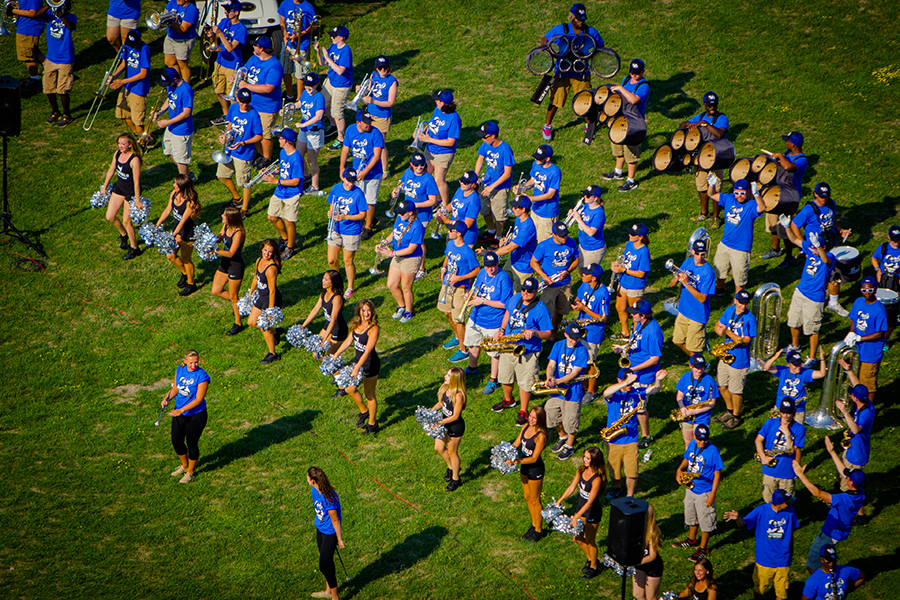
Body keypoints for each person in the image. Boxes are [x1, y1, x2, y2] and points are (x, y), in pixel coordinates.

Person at [491, 277, 554, 426]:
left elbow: (548, 334)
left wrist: (535, 332)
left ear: (536, 291)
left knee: (525, 382)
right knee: (505, 376)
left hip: (528, 351)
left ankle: (523, 411)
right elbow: (508, 312)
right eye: (523, 289)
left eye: (529, 291)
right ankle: (508, 399)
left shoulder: (541, 310)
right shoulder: (516, 297)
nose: (525, 293)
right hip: (509, 345)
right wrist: (501, 329)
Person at [539, 3, 603, 141]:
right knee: (555, 100)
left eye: (583, 19)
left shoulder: (591, 32)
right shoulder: (561, 29)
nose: (581, 22)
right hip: (562, 72)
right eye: (578, 19)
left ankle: (588, 127)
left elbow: (600, 46)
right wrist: (552, 52)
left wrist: (591, 55)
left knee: (586, 101)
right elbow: (544, 40)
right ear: (572, 17)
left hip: (581, 73)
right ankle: (547, 126)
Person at [793, 451, 865, 572]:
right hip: (843, 531)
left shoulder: (842, 499)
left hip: (830, 534)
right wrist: (831, 451)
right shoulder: (860, 493)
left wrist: (800, 475)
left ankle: (820, 580)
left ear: (850, 483)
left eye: (847, 477)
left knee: (812, 564)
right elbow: (844, 471)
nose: (845, 476)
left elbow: (817, 492)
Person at [724, 489, 799, 600]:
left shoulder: (791, 511)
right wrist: (738, 518)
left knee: (782, 593)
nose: (789, 504)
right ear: (779, 503)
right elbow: (744, 523)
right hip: (764, 560)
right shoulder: (761, 511)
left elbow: (791, 533)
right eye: (786, 502)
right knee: (760, 589)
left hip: (783, 560)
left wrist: (790, 554)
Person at [602, 368, 665, 498]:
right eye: (628, 382)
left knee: (632, 472)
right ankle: (617, 487)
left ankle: (629, 496)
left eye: (632, 383)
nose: (630, 385)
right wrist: (625, 382)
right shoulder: (614, 394)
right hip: (613, 439)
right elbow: (605, 393)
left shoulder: (636, 393)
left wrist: (658, 380)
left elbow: (656, 389)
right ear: (619, 380)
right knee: (614, 472)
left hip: (630, 438)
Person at [790, 181, 852, 314]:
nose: (824, 199)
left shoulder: (831, 204)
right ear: (815, 194)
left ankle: (833, 302)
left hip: (831, 245)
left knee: (835, 273)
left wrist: (841, 230)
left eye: (826, 196)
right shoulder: (808, 210)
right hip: (815, 249)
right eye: (821, 196)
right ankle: (812, 302)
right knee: (817, 276)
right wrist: (803, 244)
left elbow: (833, 219)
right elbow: (794, 225)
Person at [612, 299, 663, 449]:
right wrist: (623, 348)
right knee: (629, 401)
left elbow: (654, 358)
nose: (631, 315)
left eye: (634, 313)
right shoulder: (640, 323)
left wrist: (633, 369)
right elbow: (636, 340)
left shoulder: (653, 332)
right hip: (633, 370)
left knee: (640, 408)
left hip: (643, 375)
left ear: (643, 315)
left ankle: (646, 436)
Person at [672, 424, 724, 563]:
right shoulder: (692, 444)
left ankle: (703, 548)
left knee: (706, 520)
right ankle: (691, 540)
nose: (702, 442)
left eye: (705, 439)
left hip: (705, 491)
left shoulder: (713, 451)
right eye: (700, 439)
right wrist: (679, 469)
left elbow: (717, 474)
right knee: (691, 515)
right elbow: (687, 458)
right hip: (691, 487)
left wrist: (712, 495)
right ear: (694, 436)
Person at [553, 446, 606, 579]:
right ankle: (591, 558)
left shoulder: (597, 479)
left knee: (590, 541)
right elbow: (572, 486)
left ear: (595, 460)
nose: (585, 460)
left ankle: (594, 567)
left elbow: (590, 502)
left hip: (592, 512)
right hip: (581, 510)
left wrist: (576, 516)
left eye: (588, 458)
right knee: (577, 538)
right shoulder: (581, 470)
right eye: (584, 456)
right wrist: (560, 500)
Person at [463, 251, 513, 391]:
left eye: (492, 265)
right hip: (476, 317)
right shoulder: (481, 273)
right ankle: (473, 368)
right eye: (487, 266)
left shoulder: (503, 278)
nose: (490, 269)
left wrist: (483, 301)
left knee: (494, 353)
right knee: (472, 344)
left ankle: (493, 379)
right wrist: (470, 295)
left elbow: (505, 304)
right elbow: (476, 289)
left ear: (497, 263)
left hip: (494, 321)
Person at [784, 234, 836, 367]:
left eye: (816, 248)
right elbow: (794, 239)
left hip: (814, 298)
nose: (813, 251)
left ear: (824, 247)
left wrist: (818, 247)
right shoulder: (811, 251)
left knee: (812, 329)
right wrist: (787, 226)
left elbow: (825, 261)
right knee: (793, 321)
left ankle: (812, 358)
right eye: (812, 249)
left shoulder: (830, 256)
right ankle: (795, 346)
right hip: (800, 291)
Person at [708, 179, 766, 295]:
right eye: (737, 193)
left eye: (742, 193)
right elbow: (711, 194)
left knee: (739, 276)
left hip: (741, 248)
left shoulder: (751, 205)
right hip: (725, 244)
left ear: (747, 192)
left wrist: (756, 194)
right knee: (720, 268)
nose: (739, 196)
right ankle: (719, 289)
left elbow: (762, 208)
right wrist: (712, 185)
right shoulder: (729, 199)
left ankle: (738, 297)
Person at [331, 299, 380, 433]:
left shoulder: (373, 329)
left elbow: (367, 351)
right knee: (349, 389)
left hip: (370, 364)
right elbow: (348, 341)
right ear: (359, 311)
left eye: (369, 310)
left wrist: (357, 368)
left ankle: (372, 424)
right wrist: (336, 354)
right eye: (363, 310)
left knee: (369, 394)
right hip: (357, 363)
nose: (366, 313)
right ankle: (364, 411)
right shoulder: (356, 325)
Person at [162, 349, 210, 484]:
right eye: (191, 363)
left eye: (196, 362)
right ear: (184, 361)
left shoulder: (202, 376)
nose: (193, 365)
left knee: (191, 443)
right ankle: (184, 465)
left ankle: (190, 472)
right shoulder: (180, 369)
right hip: (179, 412)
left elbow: (198, 399)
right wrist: (166, 398)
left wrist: (181, 410)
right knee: (176, 441)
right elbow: (175, 389)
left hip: (196, 415)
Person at [760, 131, 808, 266]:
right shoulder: (787, 154)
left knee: (785, 227)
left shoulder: (802, 160)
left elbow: (788, 167)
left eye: (787, 141)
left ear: (793, 145)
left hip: (789, 197)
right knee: (772, 223)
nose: (785, 142)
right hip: (777, 192)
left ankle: (789, 256)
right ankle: (775, 249)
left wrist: (780, 156)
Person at [682, 92, 730, 226]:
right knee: (701, 185)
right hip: (701, 156)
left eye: (714, 105)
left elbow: (719, 134)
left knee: (716, 187)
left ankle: (716, 217)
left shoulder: (721, 118)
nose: (712, 108)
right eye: (709, 106)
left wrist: (705, 124)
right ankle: (704, 213)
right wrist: (689, 124)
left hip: (717, 156)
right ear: (704, 105)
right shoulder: (700, 116)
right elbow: (681, 125)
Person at [542, 323, 589, 461]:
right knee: (550, 415)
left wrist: (556, 381)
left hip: (573, 391)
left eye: (577, 338)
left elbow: (574, 373)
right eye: (572, 338)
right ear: (565, 335)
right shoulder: (558, 345)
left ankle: (569, 445)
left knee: (571, 421)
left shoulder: (582, 350)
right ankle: (562, 436)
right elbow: (551, 365)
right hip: (557, 391)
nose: (575, 340)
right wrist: (549, 377)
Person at [602, 58, 649, 192]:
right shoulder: (626, 79)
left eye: (637, 73)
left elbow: (634, 100)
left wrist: (621, 89)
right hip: (622, 118)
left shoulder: (643, 86)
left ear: (643, 72)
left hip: (634, 121)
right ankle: (618, 172)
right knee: (618, 146)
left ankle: (631, 181)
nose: (633, 75)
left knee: (631, 153)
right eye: (632, 72)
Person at [712, 289, 757, 429]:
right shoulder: (729, 311)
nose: (743, 306)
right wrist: (719, 331)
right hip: (726, 355)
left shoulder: (750, 319)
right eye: (741, 303)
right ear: (735, 301)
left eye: (746, 303)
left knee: (735, 391)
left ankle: (736, 417)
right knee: (722, 386)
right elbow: (717, 326)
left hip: (740, 360)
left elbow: (746, 341)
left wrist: (727, 332)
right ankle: (729, 410)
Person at [438, 223, 481, 362]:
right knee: (447, 313)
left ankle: (463, 349)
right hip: (447, 285)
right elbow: (447, 256)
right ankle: (457, 337)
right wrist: (443, 268)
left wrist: (460, 278)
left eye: (451, 230)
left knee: (458, 320)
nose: (448, 232)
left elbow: (477, 270)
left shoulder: (468, 252)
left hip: (460, 288)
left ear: (459, 233)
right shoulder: (451, 244)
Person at [217, 88, 263, 216]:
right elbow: (230, 124)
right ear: (237, 99)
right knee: (222, 175)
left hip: (243, 153)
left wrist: (243, 143)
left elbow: (259, 136)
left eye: (247, 102)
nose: (245, 105)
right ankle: (237, 199)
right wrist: (225, 135)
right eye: (242, 102)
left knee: (245, 183)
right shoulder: (233, 108)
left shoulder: (254, 115)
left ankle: (244, 209)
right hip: (229, 149)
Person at [391, 152, 439, 274]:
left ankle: (421, 269)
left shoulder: (428, 179)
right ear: (411, 164)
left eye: (422, 165)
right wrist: (396, 190)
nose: (419, 167)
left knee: (419, 242)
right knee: (404, 234)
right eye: (416, 165)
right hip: (406, 213)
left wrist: (414, 205)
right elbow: (403, 185)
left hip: (421, 215)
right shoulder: (408, 172)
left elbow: (433, 201)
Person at [379, 200, 424, 324]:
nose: (399, 215)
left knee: (406, 287)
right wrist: (384, 242)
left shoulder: (417, 226)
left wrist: (391, 254)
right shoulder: (400, 218)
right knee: (391, 285)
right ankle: (402, 306)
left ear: (410, 213)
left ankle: (409, 311)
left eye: (402, 213)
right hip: (397, 255)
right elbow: (394, 233)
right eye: (399, 213)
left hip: (411, 258)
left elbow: (411, 249)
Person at [340, 111, 384, 238]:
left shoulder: (376, 133)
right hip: (357, 171)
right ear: (358, 122)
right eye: (366, 123)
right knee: (359, 198)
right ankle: (370, 217)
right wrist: (342, 167)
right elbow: (345, 149)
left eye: (370, 123)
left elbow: (377, 156)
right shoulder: (350, 130)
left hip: (373, 174)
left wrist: (365, 171)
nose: (369, 125)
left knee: (370, 200)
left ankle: (368, 227)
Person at [100, 132, 144, 260]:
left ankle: (134, 248)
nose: (120, 146)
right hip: (119, 189)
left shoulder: (134, 160)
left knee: (126, 221)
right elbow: (111, 170)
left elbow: (136, 182)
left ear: (130, 145)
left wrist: (137, 200)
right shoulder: (117, 154)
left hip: (130, 192)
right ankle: (124, 235)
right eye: (119, 143)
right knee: (110, 216)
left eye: (123, 144)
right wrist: (105, 186)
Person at [508, 406, 549, 541]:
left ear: (540, 419)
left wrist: (517, 461)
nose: (531, 419)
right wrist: (505, 453)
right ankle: (534, 524)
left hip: (535, 469)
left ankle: (539, 530)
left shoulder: (541, 436)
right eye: (530, 416)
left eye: (534, 418)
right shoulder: (525, 427)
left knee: (535, 499)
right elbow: (516, 443)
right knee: (527, 496)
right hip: (524, 467)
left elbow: (534, 458)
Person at [670, 238, 717, 357]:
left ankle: (698, 362)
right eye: (697, 254)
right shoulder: (687, 262)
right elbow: (671, 285)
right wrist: (676, 278)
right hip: (683, 310)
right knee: (677, 340)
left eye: (702, 254)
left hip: (697, 315)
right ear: (692, 252)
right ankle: (697, 361)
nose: (700, 257)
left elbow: (702, 298)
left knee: (693, 347)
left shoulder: (708, 272)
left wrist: (687, 284)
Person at [241, 36, 284, 163]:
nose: (253, 47)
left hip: (266, 106)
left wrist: (247, 86)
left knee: (265, 135)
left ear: (261, 49)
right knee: (256, 132)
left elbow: (268, 88)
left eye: (255, 45)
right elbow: (244, 70)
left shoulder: (274, 66)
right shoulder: (254, 58)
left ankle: (267, 159)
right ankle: (260, 154)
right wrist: (238, 75)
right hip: (253, 103)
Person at [834, 381, 874, 520]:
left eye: (852, 394)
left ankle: (858, 515)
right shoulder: (867, 404)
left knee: (852, 487)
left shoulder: (865, 414)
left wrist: (844, 411)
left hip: (856, 455)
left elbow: (856, 430)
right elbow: (858, 385)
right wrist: (849, 371)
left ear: (855, 398)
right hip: (852, 450)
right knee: (842, 475)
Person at [531, 222, 579, 336]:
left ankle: (552, 335)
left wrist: (567, 272)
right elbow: (533, 262)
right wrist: (544, 277)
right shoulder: (544, 246)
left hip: (565, 284)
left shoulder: (571, 242)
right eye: (561, 236)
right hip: (550, 285)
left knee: (561, 311)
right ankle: (542, 335)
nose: (564, 237)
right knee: (546, 313)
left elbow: (576, 259)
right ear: (554, 234)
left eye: (566, 234)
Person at [155, 174, 200, 296]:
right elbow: (167, 210)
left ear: (183, 186)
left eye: (176, 183)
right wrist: (157, 225)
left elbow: (183, 221)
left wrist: (173, 235)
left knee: (186, 259)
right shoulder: (174, 194)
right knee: (170, 255)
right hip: (177, 230)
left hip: (187, 232)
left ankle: (191, 284)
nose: (174, 185)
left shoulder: (190, 201)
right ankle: (185, 273)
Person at [570, 262, 609, 403]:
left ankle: (591, 391)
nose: (582, 275)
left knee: (590, 362)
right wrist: (576, 304)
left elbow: (603, 318)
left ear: (593, 278)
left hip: (593, 332)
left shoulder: (603, 293)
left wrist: (584, 309)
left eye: (585, 274)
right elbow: (578, 298)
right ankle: (583, 385)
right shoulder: (584, 284)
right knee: (581, 359)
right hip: (581, 328)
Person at [263, 128, 305, 260]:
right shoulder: (283, 152)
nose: (278, 140)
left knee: (289, 221)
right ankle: (285, 238)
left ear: (286, 141)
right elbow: (283, 168)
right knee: (272, 216)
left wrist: (276, 181)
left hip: (292, 193)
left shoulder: (296, 158)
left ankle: (290, 247)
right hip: (280, 191)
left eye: (280, 138)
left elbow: (296, 181)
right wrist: (272, 171)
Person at [326, 168, 367, 299]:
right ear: (343, 178)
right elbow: (332, 204)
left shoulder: (358, 193)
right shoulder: (336, 188)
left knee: (347, 260)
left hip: (351, 231)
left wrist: (345, 217)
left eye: (353, 181)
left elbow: (362, 215)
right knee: (331, 260)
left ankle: (350, 286)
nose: (351, 184)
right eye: (348, 181)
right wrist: (330, 212)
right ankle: (337, 281)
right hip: (335, 228)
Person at [756, 398, 805, 503]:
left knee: (786, 503)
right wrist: (763, 457)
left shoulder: (799, 429)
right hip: (770, 470)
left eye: (788, 413)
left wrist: (788, 435)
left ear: (794, 412)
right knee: (769, 501)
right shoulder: (770, 423)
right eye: (783, 412)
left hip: (787, 472)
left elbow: (791, 451)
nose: (785, 416)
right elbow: (758, 440)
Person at [306, 466, 345, 600]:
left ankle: (335, 597)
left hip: (330, 533)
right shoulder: (314, 491)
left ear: (312, 480)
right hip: (320, 530)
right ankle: (328, 591)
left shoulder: (329, 498)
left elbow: (335, 519)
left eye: (307, 477)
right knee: (327, 561)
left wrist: (339, 539)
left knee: (324, 565)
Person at [473, 121, 515, 242]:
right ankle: (491, 231)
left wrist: (492, 187)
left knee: (499, 214)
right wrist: (475, 176)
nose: (482, 139)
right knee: (484, 209)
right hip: (487, 182)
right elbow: (480, 158)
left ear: (493, 136)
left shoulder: (505, 150)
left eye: (485, 137)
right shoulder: (486, 144)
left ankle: (498, 237)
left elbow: (507, 173)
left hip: (500, 187)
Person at [419, 89, 461, 206]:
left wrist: (430, 140)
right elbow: (431, 124)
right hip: (430, 149)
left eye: (437, 100)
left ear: (443, 103)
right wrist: (421, 132)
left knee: (438, 180)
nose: (435, 101)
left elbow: (450, 142)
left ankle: (444, 205)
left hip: (444, 153)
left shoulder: (453, 119)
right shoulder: (438, 110)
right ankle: (435, 200)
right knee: (425, 174)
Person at [762, 348, 825, 425]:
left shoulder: (805, 373)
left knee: (797, 430)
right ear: (789, 364)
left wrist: (822, 359)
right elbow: (767, 367)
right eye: (795, 365)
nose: (798, 367)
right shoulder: (783, 371)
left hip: (798, 410)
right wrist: (775, 356)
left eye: (799, 364)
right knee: (776, 428)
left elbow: (822, 374)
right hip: (780, 408)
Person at [847, 277, 886, 401]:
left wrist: (860, 338)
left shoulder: (879, 310)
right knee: (854, 378)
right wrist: (851, 332)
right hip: (857, 349)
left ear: (875, 290)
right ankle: (855, 404)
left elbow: (880, 333)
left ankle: (868, 408)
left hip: (870, 352)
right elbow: (854, 319)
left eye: (870, 290)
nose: (867, 293)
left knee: (867, 383)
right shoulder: (858, 302)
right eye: (864, 290)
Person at [315, 25, 353, 151]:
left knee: (337, 113)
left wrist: (327, 57)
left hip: (341, 85)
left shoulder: (345, 51)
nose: (331, 38)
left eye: (334, 36)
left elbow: (340, 71)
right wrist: (318, 52)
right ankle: (333, 126)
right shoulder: (333, 46)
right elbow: (322, 63)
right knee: (323, 103)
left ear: (341, 38)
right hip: (330, 81)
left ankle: (341, 139)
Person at [611, 223, 651, 341]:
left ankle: (635, 335)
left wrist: (623, 270)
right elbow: (625, 260)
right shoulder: (629, 244)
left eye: (633, 234)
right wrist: (617, 264)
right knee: (620, 307)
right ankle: (625, 332)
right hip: (624, 281)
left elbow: (641, 273)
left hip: (635, 285)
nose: (630, 235)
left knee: (635, 313)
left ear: (641, 237)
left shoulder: (644, 252)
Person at [210, 1, 248, 122]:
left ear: (236, 13)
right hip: (220, 62)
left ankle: (234, 118)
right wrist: (212, 34)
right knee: (219, 91)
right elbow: (217, 38)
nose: (226, 12)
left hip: (233, 65)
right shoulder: (224, 22)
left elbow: (230, 47)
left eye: (229, 10)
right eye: (225, 10)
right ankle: (226, 115)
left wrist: (220, 33)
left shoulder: (241, 29)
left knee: (232, 95)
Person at [211, 206, 246, 335]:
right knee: (216, 290)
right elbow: (219, 237)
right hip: (225, 263)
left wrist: (216, 251)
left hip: (235, 266)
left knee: (233, 296)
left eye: (224, 215)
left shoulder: (238, 233)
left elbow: (231, 253)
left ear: (231, 218)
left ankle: (238, 323)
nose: (222, 216)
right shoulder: (226, 226)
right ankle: (240, 304)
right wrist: (209, 241)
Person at [247, 239, 284, 364]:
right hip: (261, 297)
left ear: (274, 253)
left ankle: (273, 354)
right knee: (251, 322)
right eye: (265, 250)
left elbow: (272, 290)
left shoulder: (271, 269)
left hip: (270, 300)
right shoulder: (259, 260)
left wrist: (270, 310)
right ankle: (275, 332)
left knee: (264, 327)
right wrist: (251, 292)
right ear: (261, 249)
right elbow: (256, 277)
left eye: (270, 252)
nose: (267, 254)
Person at [111, 30, 151, 142]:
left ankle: (143, 143)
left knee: (138, 120)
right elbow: (123, 64)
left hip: (138, 89)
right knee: (123, 114)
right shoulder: (127, 46)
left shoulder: (144, 49)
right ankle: (139, 135)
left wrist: (123, 81)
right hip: (127, 86)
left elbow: (143, 74)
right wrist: (113, 76)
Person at [431, 367, 467, 492]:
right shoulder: (446, 388)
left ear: (455, 379)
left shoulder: (458, 395)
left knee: (452, 452)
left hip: (455, 427)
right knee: (438, 447)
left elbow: (456, 416)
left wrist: (439, 422)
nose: (445, 377)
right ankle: (451, 467)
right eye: (446, 374)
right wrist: (431, 411)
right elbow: (442, 403)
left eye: (448, 375)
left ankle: (456, 479)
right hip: (445, 424)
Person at [41, 2, 76, 128]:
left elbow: (70, 27)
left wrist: (61, 16)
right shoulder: (48, 14)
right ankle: (55, 111)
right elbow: (38, 15)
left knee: (63, 89)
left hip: (65, 59)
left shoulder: (71, 17)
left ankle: (67, 114)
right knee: (48, 87)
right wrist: (48, 5)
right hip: (51, 58)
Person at [517, 144, 561, 242]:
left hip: (547, 213)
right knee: (533, 238)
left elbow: (550, 195)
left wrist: (531, 199)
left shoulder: (555, 172)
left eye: (539, 158)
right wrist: (521, 188)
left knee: (544, 242)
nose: (536, 159)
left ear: (548, 158)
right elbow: (532, 181)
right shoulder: (536, 165)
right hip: (535, 209)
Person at [494, 195, 537, 292]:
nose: (512, 209)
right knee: (504, 285)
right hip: (513, 259)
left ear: (523, 209)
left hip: (523, 266)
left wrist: (492, 254)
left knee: (516, 294)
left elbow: (510, 248)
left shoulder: (527, 227)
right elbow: (516, 235)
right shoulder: (519, 219)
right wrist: (507, 239)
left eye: (515, 207)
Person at [363, 54, 398, 175]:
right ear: (376, 68)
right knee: (369, 140)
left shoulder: (392, 81)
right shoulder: (373, 75)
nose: (383, 70)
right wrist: (362, 89)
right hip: (370, 114)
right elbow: (369, 91)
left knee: (380, 144)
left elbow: (390, 103)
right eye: (380, 68)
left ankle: (385, 170)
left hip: (382, 116)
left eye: (385, 67)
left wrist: (373, 101)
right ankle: (371, 164)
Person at [675, 355, 719, 448]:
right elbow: (679, 395)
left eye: (702, 367)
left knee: (700, 443)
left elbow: (712, 403)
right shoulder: (685, 377)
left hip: (702, 418)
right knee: (688, 442)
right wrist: (682, 407)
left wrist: (695, 411)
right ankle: (690, 457)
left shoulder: (709, 380)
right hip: (686, 416)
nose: (699, 370)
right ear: (690, 366)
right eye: (697, 367)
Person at [301, 269, 349, 355]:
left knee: (329, 357)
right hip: (328, 325)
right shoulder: (323, 293)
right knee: (316, 353)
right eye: (323, 278)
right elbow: (315, 309)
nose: (323, 281)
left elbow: (333, 320)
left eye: (326, 279)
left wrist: (324, 339)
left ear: (333, 282)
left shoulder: (337, 298)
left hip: (338, 330)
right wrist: (303, 325)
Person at [158, 67, 194, 178]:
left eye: (168, 83)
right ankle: (188, 176)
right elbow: (169, 99)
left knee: (181, 160)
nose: (168, 85)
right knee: (168, 151)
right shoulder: (171, 85)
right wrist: (159, 112)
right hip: (172, 127)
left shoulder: (186, 90)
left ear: (175, 79)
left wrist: (168, 122)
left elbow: (186, 113)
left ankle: (184, 183)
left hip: (181, 130)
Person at [277, 0, 316, 101]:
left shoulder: (308, 7)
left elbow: (314, 26)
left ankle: (299, 99)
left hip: (301, 44)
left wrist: (300, 34)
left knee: (300, 73)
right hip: (288, 43)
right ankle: (290, 95)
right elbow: (282, 22)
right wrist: (285, 34)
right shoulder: (285, 3)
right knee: (285, 70)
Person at [296, 72, 327, 196]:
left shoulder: (319, 97)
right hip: (304, 130)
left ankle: (315, 186)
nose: (308, 88)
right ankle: (306, 175)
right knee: (298, 155)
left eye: (311, 85)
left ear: (316, 85)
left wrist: (303, 125)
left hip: (314, 132)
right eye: (306, 85)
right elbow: (300, 103)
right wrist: (291, 107)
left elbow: (319, 116)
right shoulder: (305, 93)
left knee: (311, 161)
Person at [871, 224, 900, 342]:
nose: (897, 243)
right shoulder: (883, 248)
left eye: (899, 240)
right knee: (879, 309)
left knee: (892, 314)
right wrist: (877, 269)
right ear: (888, 237)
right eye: (894, 241)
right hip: (883, 282)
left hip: (897, 283)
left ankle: (886, 339)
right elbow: (874, 258)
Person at [11, 0, 47, 90]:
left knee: (28, 55)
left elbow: (33, 13)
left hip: (28, 28)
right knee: (33, 51)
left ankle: (34, 79)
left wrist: (13, 11)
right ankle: (51, 69)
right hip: (25, 27)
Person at [439, 170, 480, 248]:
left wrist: (448, 221)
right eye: (461, 181)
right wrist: (443, 212)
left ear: (473, 185)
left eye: (465, 183)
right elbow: (452, 204)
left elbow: (466, 225)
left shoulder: (474, 201)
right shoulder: (460, 190)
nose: (462, 184)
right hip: (453, 230)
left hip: (465, 236)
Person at [569, 185, 607, 269]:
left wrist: (579, 219)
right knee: (581, 269)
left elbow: (591, 232)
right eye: (585, 194)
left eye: (588, 196)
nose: (584, 197)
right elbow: (583, 223)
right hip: (583, 245)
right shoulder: (586, 206)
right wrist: (573, 216)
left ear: (595, 198)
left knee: (588, 273)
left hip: (594, 249)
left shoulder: (599, 213)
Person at [162, 0, 199, 83]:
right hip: (170, 37)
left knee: (182, 64)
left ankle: (186, 86)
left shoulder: (191, 10)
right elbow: (165, 13)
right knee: (169, 62)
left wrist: (171, 22)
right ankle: (177, 82)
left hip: (183, 40)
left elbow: (182, 30)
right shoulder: (173, 2)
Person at [633, 504, 664, 600]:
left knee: (651, 597)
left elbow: (652, 555)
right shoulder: (636, 529)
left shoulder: (652, 532)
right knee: (638, 594)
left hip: (653, 567)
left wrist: (636, 562)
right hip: (640, 564)